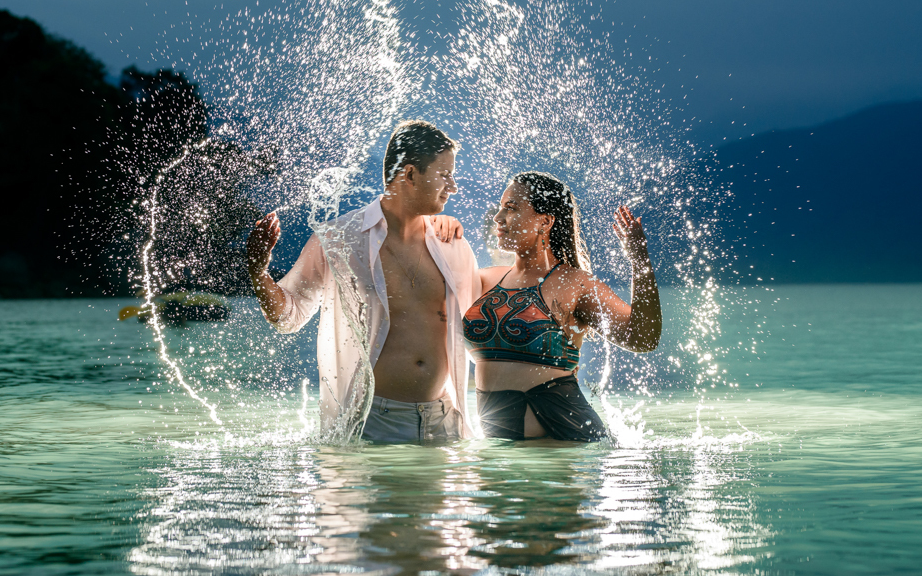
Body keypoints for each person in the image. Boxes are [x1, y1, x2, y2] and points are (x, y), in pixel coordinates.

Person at [246, 120, 480, 442]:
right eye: (444, 175)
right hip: (372, 425)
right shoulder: (338, 239)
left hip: (444, 423)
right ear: (410, 174)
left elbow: (481, 329)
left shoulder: (452, 244)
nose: (453, 186)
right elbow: (288, 316)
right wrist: (258, 272)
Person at [458, 171, 662, 441]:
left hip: (564, 443)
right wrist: (439, 226)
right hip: (501, 452)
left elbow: (642, 338)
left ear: (545, 221)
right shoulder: (484, 280)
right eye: (500, 207)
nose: (498, 217)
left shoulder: (575, 283)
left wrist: (640, 261)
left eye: (511, 208)